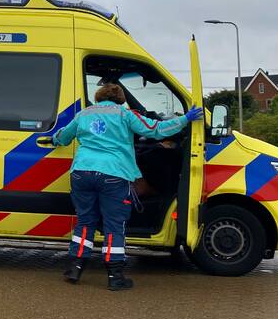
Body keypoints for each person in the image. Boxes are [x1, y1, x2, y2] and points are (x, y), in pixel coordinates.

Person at [51, 83, 203, 290]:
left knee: (85, 221)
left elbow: (63, 137)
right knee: (114, 225)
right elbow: (155, 130)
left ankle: (74, 269)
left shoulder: (84, 114)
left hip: (82, 173)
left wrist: (54, 139)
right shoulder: (125, 115)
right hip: (113, 175)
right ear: (121, 98)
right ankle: (115, 277)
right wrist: (185, 119)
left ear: (99, 97)